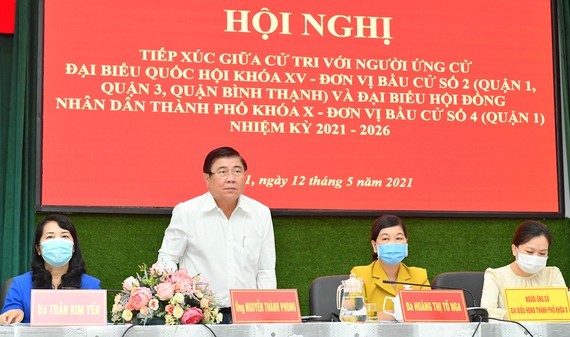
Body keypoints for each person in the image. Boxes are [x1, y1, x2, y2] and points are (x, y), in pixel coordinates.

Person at [156, 146, 276, 323]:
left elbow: (265, 270)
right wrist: (175, 297)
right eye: (222, 172)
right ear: (207, 178)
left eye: (237, 172)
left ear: (245, 177)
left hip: (247, 314)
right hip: (200, 314)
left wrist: (267, 315)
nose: (231, 179)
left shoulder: (260, 213)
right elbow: (168, 258)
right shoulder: (187, 212)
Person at [0, 214, 100, 324]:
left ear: (73, 247)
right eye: (50, 237)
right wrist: (14, 314)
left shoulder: (91, 286)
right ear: (39, 249)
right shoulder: (20, 285)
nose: (58, 242)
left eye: (65, 236)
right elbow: (9, 316)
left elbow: (101, 327)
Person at [480, 220, 567, 320]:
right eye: (530, 252)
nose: (535, 257)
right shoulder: (495, 275)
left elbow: (563, 310)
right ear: (514, 250)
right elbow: (487, 311)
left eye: (542, 253)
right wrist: (509, 316)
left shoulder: (553, 274)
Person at [350, 215, 429, 321]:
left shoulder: (419, 275)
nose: (393, 243)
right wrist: (398, 313)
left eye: (399, 238)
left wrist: (379, 315)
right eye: (386, 239)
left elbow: (427, 314)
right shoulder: (360, 274)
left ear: (406, 243)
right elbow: (354, 315)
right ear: (374, 246)